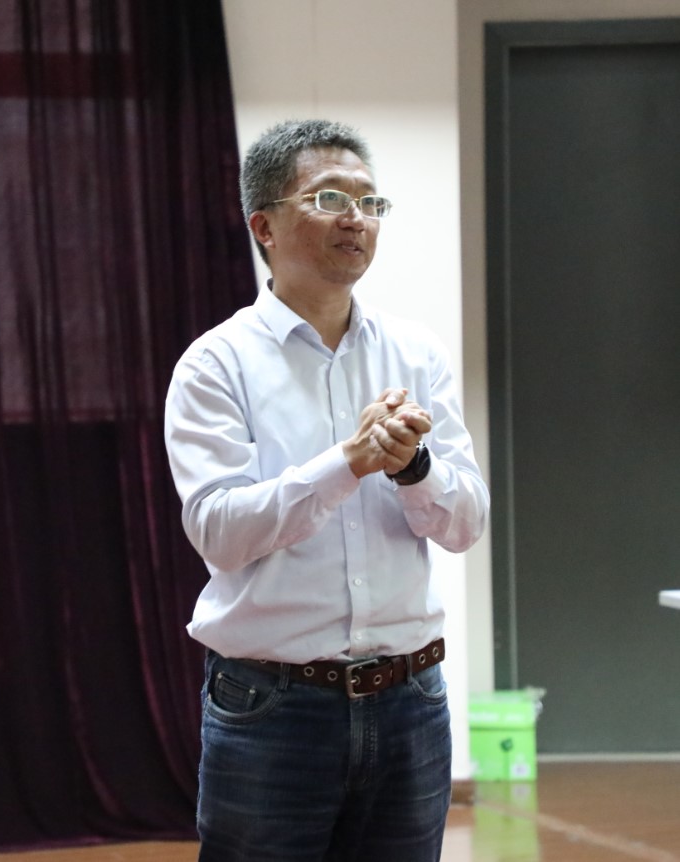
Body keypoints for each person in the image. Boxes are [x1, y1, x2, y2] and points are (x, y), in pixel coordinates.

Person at [164, 118, 490, 862]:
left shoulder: (416, 352)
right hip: (272, 706)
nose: (356, 219)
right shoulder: (215, 364)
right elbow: (220, 533)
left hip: (411, 699)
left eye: (371, 203)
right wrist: (346, 462)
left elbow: (465, 524)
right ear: (264, 226)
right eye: (330, 198)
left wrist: (413, 469)